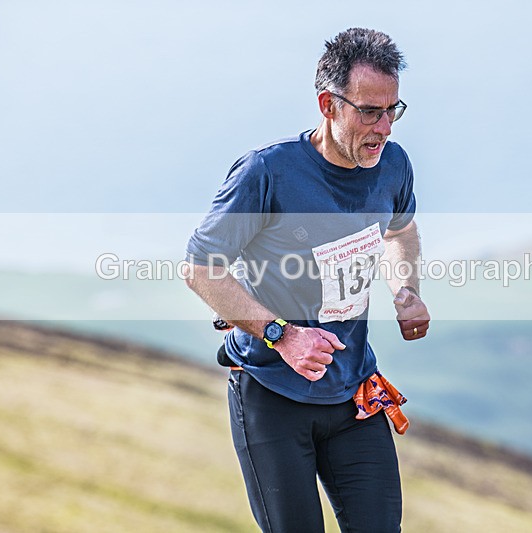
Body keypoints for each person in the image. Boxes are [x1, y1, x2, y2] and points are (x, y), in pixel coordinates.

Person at [184, 27, 430, 533]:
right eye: (368, 111)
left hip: (354, 395)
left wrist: (405, 292)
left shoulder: (393, 165)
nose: (383, 128)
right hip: (272, 395)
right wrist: (283, 335)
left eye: (393, 110)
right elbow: (201, 267)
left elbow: (401, 231)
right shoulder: (267, 172)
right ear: (328, 104)